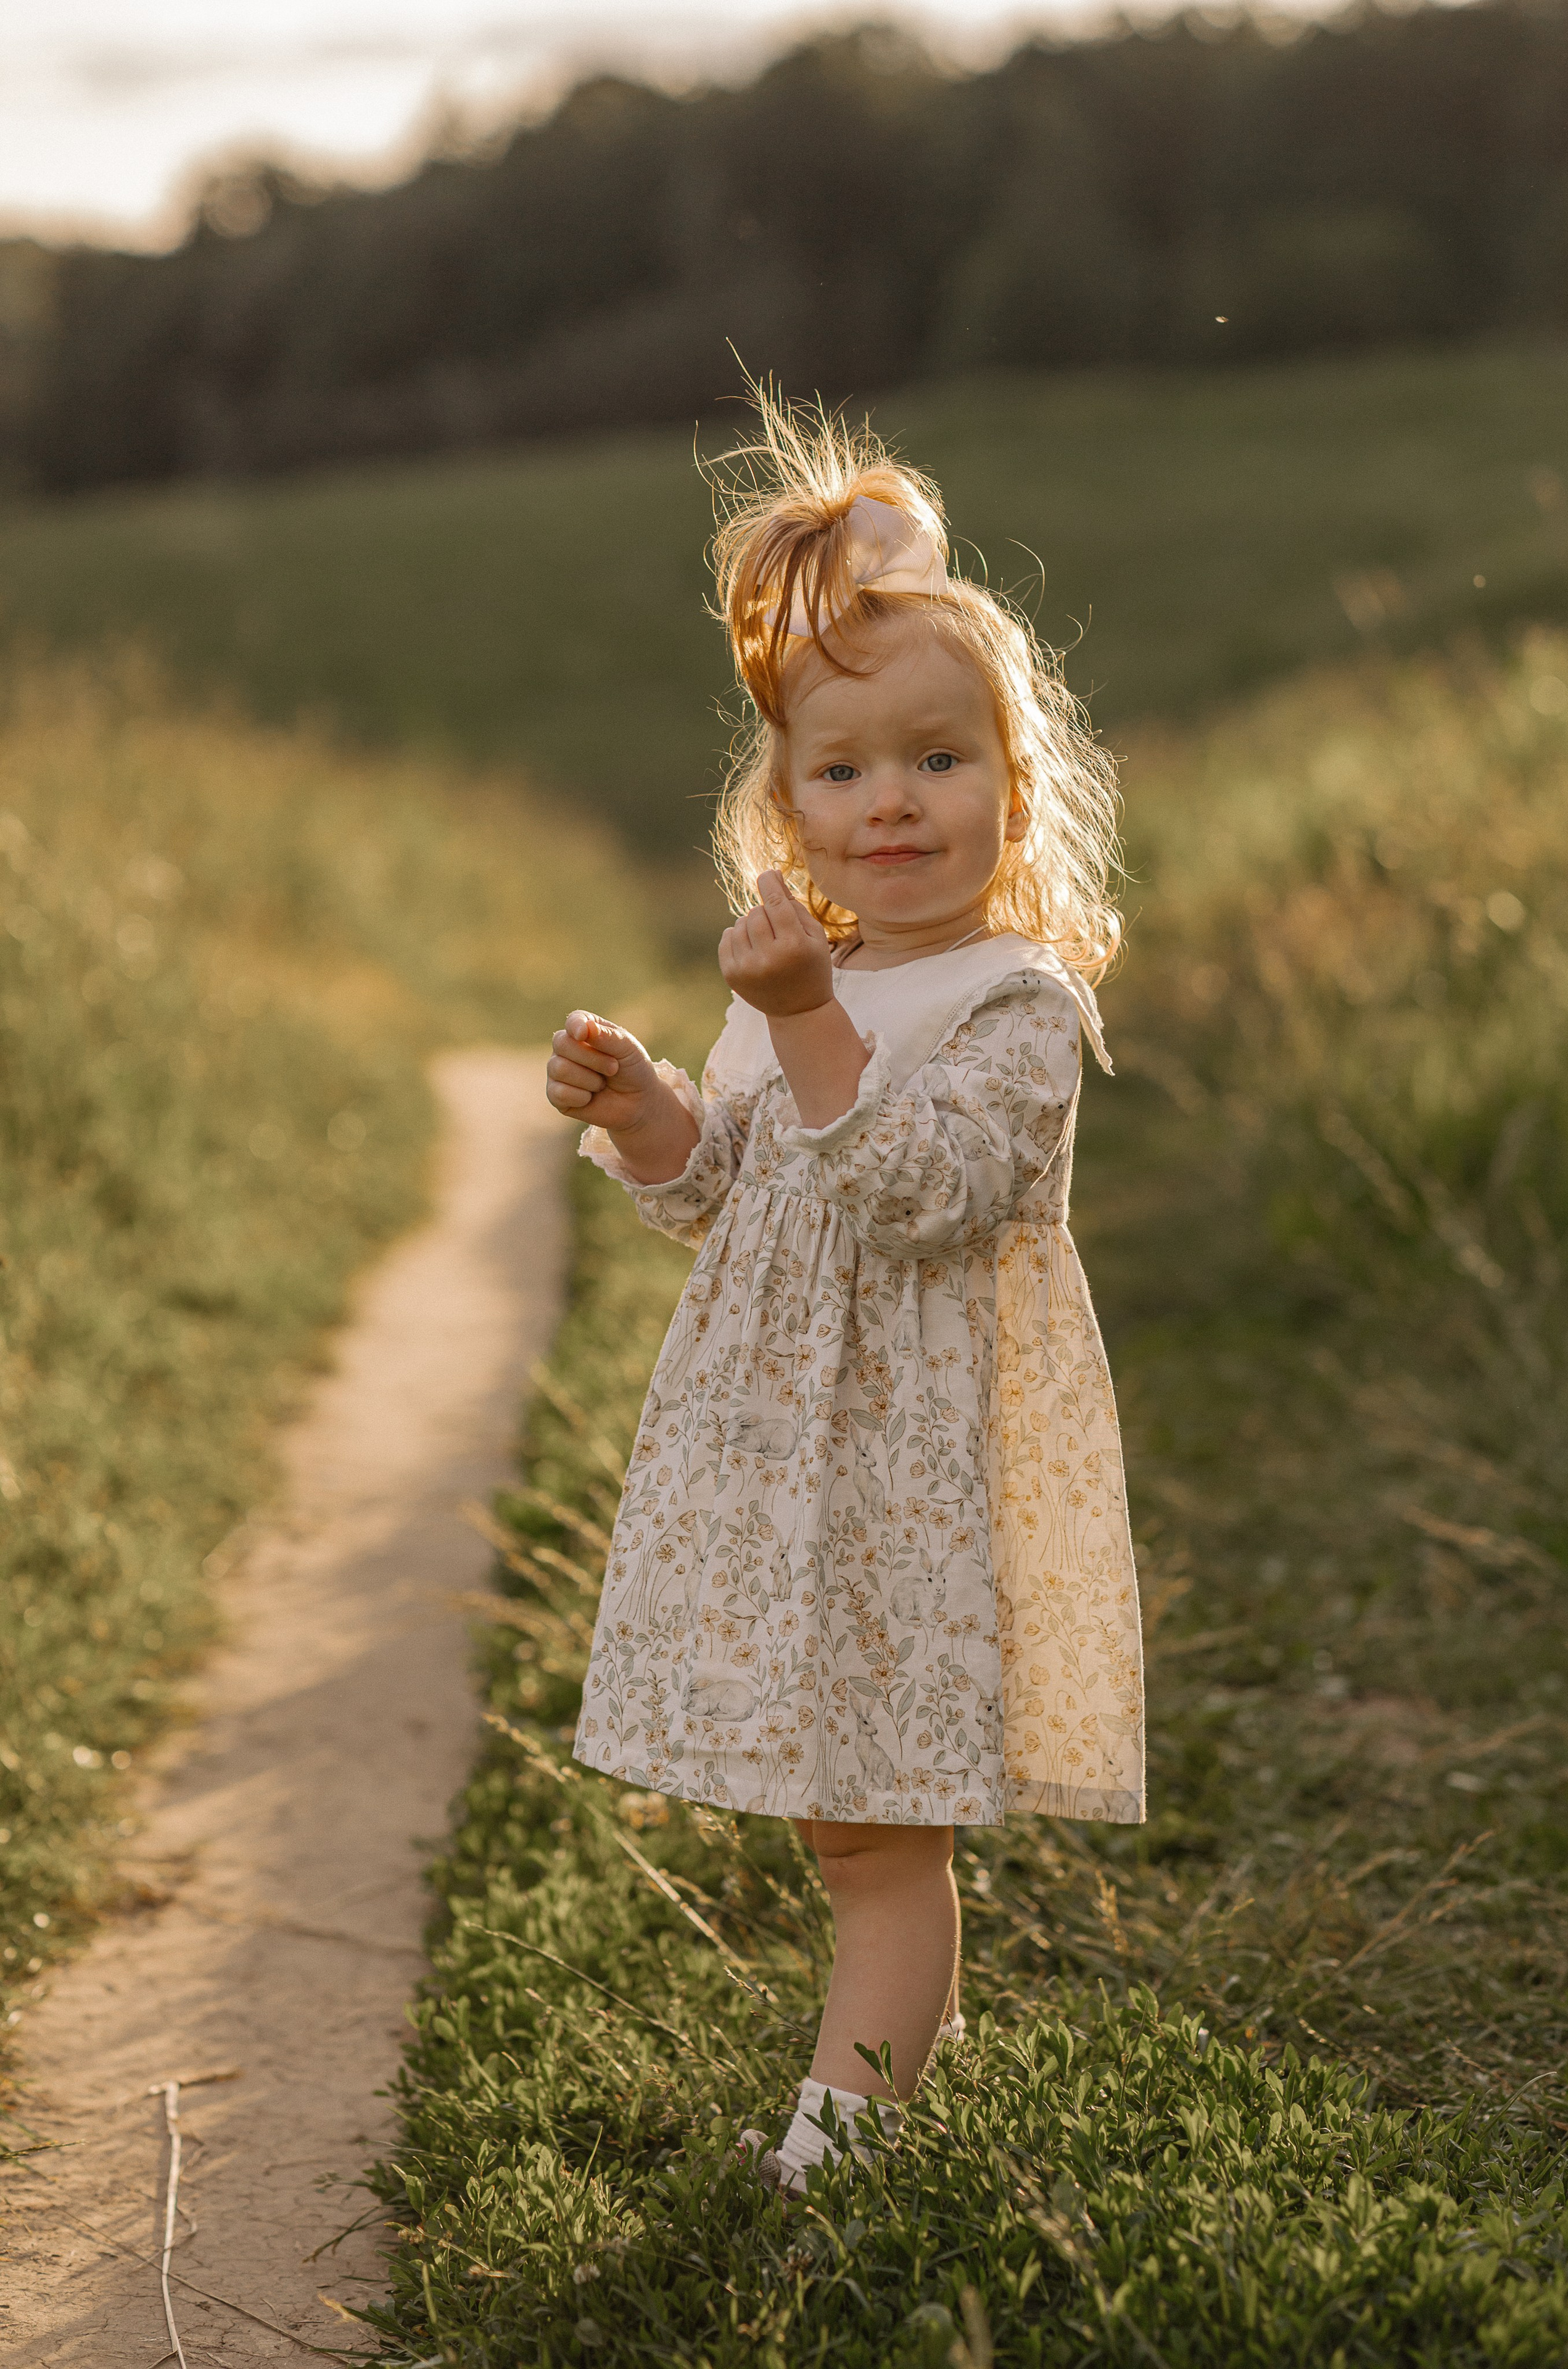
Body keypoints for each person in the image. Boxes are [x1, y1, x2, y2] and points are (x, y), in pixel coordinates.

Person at [545, 393, 1144, 2196]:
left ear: (1012, 786)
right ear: (785, 805)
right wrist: (654, 1105)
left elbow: (923, 1197)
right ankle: (848, 2125)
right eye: (845, 769)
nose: (893, 800)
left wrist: (810, 1019)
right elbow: (736, 1195)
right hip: (784, 1481)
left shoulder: (1010, 1005)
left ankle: (845, 2160)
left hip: (908, 1482)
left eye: (939, 762)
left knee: (887, 1845)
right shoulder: (808, 978)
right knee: (844, 1831)